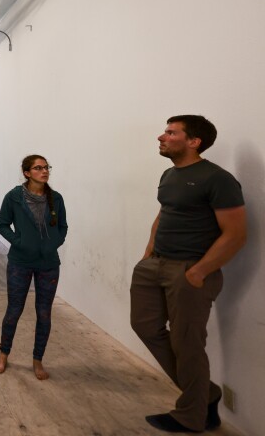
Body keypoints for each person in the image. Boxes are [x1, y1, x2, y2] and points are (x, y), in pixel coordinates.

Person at [131, 115, 246, 433]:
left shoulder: (217, 179)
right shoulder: (170, 174)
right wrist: (147, 254)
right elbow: (163, 214)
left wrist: (199, 272)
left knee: (187, 343)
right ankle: (205, 394)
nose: (161, 136)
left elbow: (235, 234)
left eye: (171, 132)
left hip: (190, 270)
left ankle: (191, 416)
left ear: (194, 141)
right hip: (155, 265)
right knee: (144, 325)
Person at [0, 154, 68, 380]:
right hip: (20, 263)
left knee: (44, 314)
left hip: (48, 264)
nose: (44, 171)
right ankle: (3, 355)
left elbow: (63, 227)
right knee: (14, 310)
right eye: (38, 168)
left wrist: (52, 244)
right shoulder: (14, 197)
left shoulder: (56, 198)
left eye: (46, 167)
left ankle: (37, 361)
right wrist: (19, 242)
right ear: (27, 173)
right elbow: (2, 224)